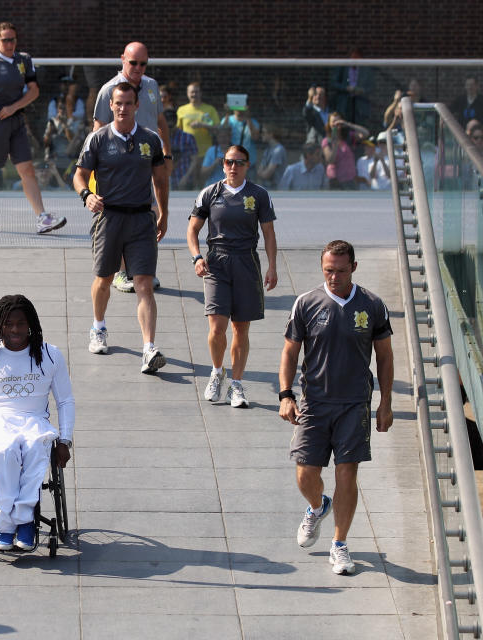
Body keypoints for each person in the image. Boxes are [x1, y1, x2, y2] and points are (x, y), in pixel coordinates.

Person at [280, 240, 393, 575]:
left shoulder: (372, 304)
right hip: (314, 403)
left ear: (353, 268)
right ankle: (317, 506)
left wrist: (385, 403)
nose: (334, 277)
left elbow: (385, 357)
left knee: (347, 471)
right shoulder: (306, 303)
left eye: (341, 271)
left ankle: (339, 545)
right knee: (305, 473)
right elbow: (290, 352)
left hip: (354, 403)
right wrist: (286, 395)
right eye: (328, 270)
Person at [0, 295, 74, 551]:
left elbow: (65, 401)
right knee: (5, 451)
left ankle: (24, 521)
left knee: (33, 450)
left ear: (30, 324)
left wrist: (64, 440)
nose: (15, 330)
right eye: (8, 324)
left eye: (21, 323)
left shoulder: (50, 355)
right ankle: (7, 525)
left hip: (35, 422)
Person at [74, 82, 168, 374]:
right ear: (111, 106)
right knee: (104, 279)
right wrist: (87, 196)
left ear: (137, 105)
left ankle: (149, 348)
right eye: (119, 103)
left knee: (144, 285)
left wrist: (162, 212)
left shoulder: (150, 139)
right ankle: (98, 327)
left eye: (129, 103)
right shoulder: (98, 139)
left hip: (141, 219)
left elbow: (160, 179)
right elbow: (79, 175)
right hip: (109, 218)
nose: (123, 108)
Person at [187, 144, 278, 408]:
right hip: (216, 261)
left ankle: (236, 385)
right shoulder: (210, 193)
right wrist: (197, 257)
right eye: (229, 162)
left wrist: (272, 266)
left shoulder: (259, 195)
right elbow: (193, 230)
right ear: (222, 165)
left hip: (247, 261)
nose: (233, 167)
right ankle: (217, 372)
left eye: (239, 162)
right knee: (216, 326)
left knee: (240, 327)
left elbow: (269, 233)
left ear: (248, 165)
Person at [0, 22, 65, 235]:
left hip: (17, 120)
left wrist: (14, 108)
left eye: (12, 39)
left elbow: (33, 91)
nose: (9, 44)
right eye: (5, 40)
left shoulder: (24, 60)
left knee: (27, 169)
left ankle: (42, 218)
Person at [92, 42, 172, 293]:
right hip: (119, 162)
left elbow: (160, 120)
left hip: (149, 159)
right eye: (133, 62)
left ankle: (143, 270)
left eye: (143, 63)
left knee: (148, 213)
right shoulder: (108, 90)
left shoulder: (151, 86)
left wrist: (167, 152)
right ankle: (121, 272)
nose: (138, 68)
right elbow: (98, 128)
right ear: (122, 60)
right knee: (122, 213)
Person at [176, 82, 220, 173]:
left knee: (203, 182)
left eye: (196, 92)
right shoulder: (181, 110)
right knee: (190, 183)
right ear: (187, 93)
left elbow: (218, 128)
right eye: (191, 92)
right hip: (187, 154)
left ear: (201, 93)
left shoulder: (210, 109)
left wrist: (203, 125)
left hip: (205, 152)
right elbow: (177, 130)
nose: (194, 94)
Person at [322, 112, 369, 190]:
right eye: (333, 122)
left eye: (338, 121)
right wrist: (335, 146)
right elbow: (330, 160)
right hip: (335, 180)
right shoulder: (327, 141)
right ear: (329, 124)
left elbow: (365, 133)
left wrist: (347, 124)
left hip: (350, 179)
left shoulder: (348, 136)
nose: (336, 124)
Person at [256, 124, 287, 189]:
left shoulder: (278, 150)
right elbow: (259, 171)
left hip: (276, 189)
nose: (262, 135)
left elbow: (267, 174)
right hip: (266, 187)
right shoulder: (267, 150)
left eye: (264, 133)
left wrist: (262, 174)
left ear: (271, 134)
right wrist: (262, 173)